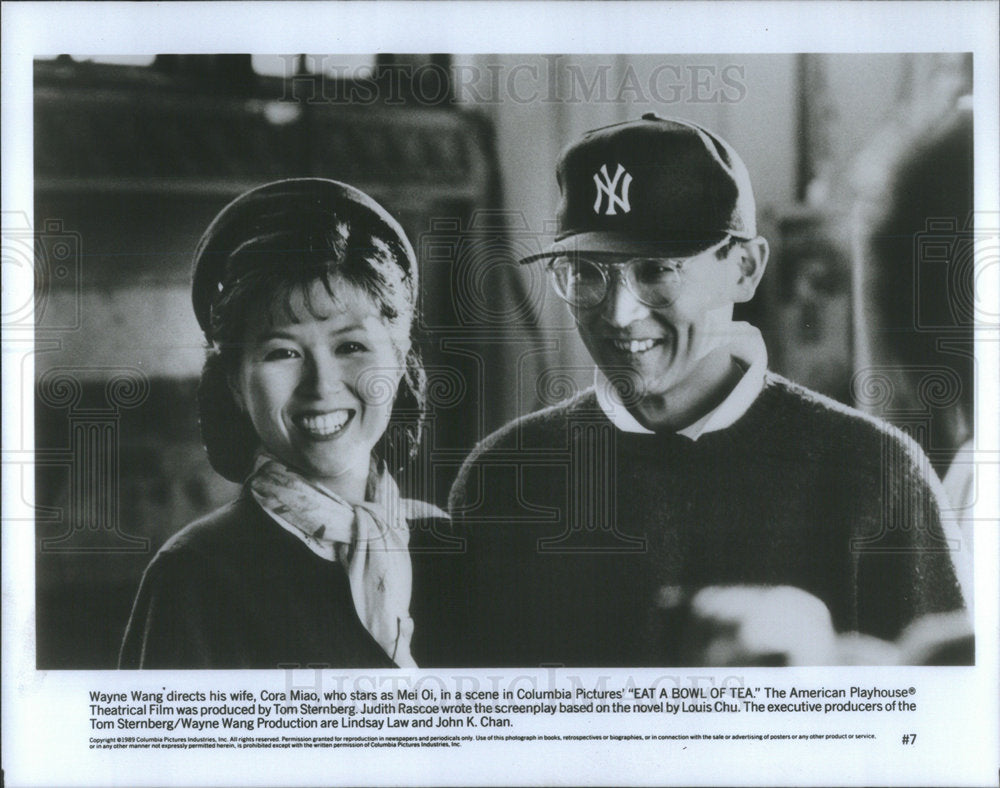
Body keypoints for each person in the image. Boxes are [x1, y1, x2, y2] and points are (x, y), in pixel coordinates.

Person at [446, 114, 968, 667]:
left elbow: (932, 729)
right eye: (586, 272)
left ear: (744, 268)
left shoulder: (876, 475)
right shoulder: (502, 480)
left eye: (656, 270)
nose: (620, 315)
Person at [119, 178, 445, 669]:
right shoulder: (194, 575)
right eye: (283, 352)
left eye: (351, 346)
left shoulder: (451, 547)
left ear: (398, 359)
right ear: (233, 381)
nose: (322, 385)